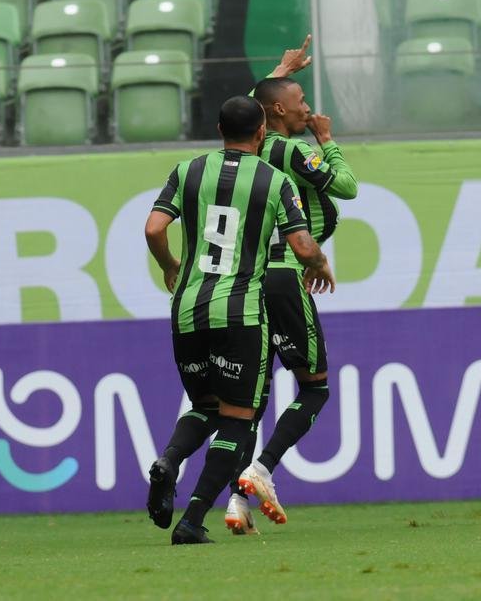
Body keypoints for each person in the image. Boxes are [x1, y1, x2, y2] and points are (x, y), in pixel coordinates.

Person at [143, 95, 335, 544]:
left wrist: (169, 265)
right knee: (236, 417)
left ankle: (170, 460)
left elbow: (153, 228)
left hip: (187, 308)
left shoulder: (187, 170)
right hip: (241, 312)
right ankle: (191, 520)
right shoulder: (274, 179)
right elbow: (304, 248)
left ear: (217, 129)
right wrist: (320, 261)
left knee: (206, 407)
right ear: (262, 132)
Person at [223, 38, 360, 534]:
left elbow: (242, 114)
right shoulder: (295, 150)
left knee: (252, 400)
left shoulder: (255, 143)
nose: (310, 110)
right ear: (278, 111)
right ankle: (261, 470)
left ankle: (238, 501)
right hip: (285, 274)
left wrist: (278, 68)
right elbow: (347, 186)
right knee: (315, 388)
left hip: (253, 278)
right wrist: (328, 140)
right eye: (301, 103)